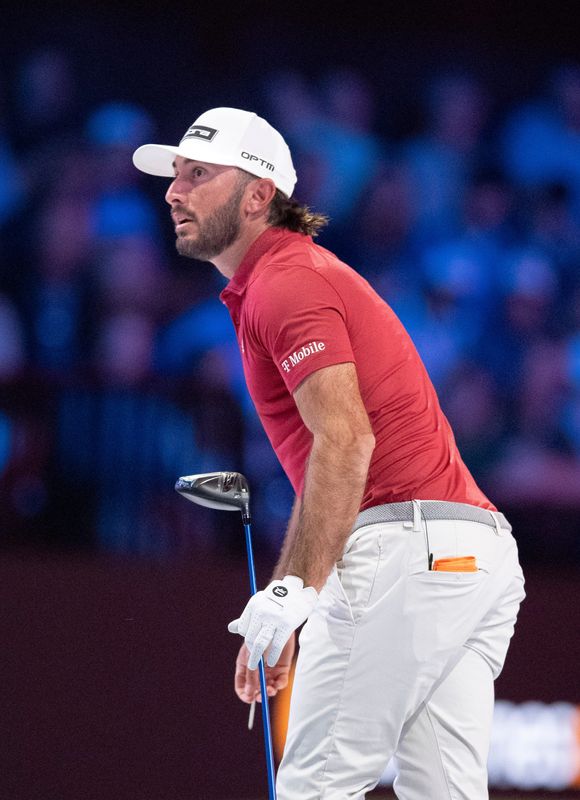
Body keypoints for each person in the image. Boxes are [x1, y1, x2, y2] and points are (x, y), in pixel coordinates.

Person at [133, 107, 525, 800]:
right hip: (470, 555)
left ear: (257, 194)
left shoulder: (285, 282)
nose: (173, 191)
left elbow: (346, 441)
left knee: (314, 786)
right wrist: (297, 589)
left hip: (407, 551)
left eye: (197, 174)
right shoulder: (290, 277)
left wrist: (292, 592)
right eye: (175, 175)